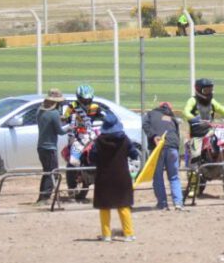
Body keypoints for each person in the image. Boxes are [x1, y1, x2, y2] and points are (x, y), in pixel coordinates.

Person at [93, 112, 139, 242]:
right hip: (122, 176)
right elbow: (134, 154)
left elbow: (92, 157)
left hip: (104, 177)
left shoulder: (99, 141)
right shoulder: (125, 140)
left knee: (104, 206)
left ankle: (106, 235)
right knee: (123, 205)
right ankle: (129, 234)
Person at [143, 102, 183, 211]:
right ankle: (178, 203)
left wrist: (154, 135)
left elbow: (145, 124)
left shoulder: (151, 114)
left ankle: (163, 204)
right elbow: (177, 135)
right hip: (173, 148)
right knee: (174, 176)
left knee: (158, 176)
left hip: (158, 147)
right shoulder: (172, 118)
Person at [35, 88, 68, 204]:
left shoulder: (39, 111)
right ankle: (45, 198)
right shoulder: (54, 114)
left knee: (47, 172)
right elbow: (60, 131)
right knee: (52, 173)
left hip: (41, 147)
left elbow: (48, 122)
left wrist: (59, 119)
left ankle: (42, 196)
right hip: (50, 148)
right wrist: (69, 127)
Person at [62, 84, 101, 167]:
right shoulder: (72, 106)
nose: (86, 102)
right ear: (79, 98)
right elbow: (65, 118)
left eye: (88, 100)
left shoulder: (96, 107)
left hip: (92, 135)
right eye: (84, 100)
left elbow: (105, 117)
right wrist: (66, 121)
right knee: (73, 160)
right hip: (78, 136)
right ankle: (78, 170)